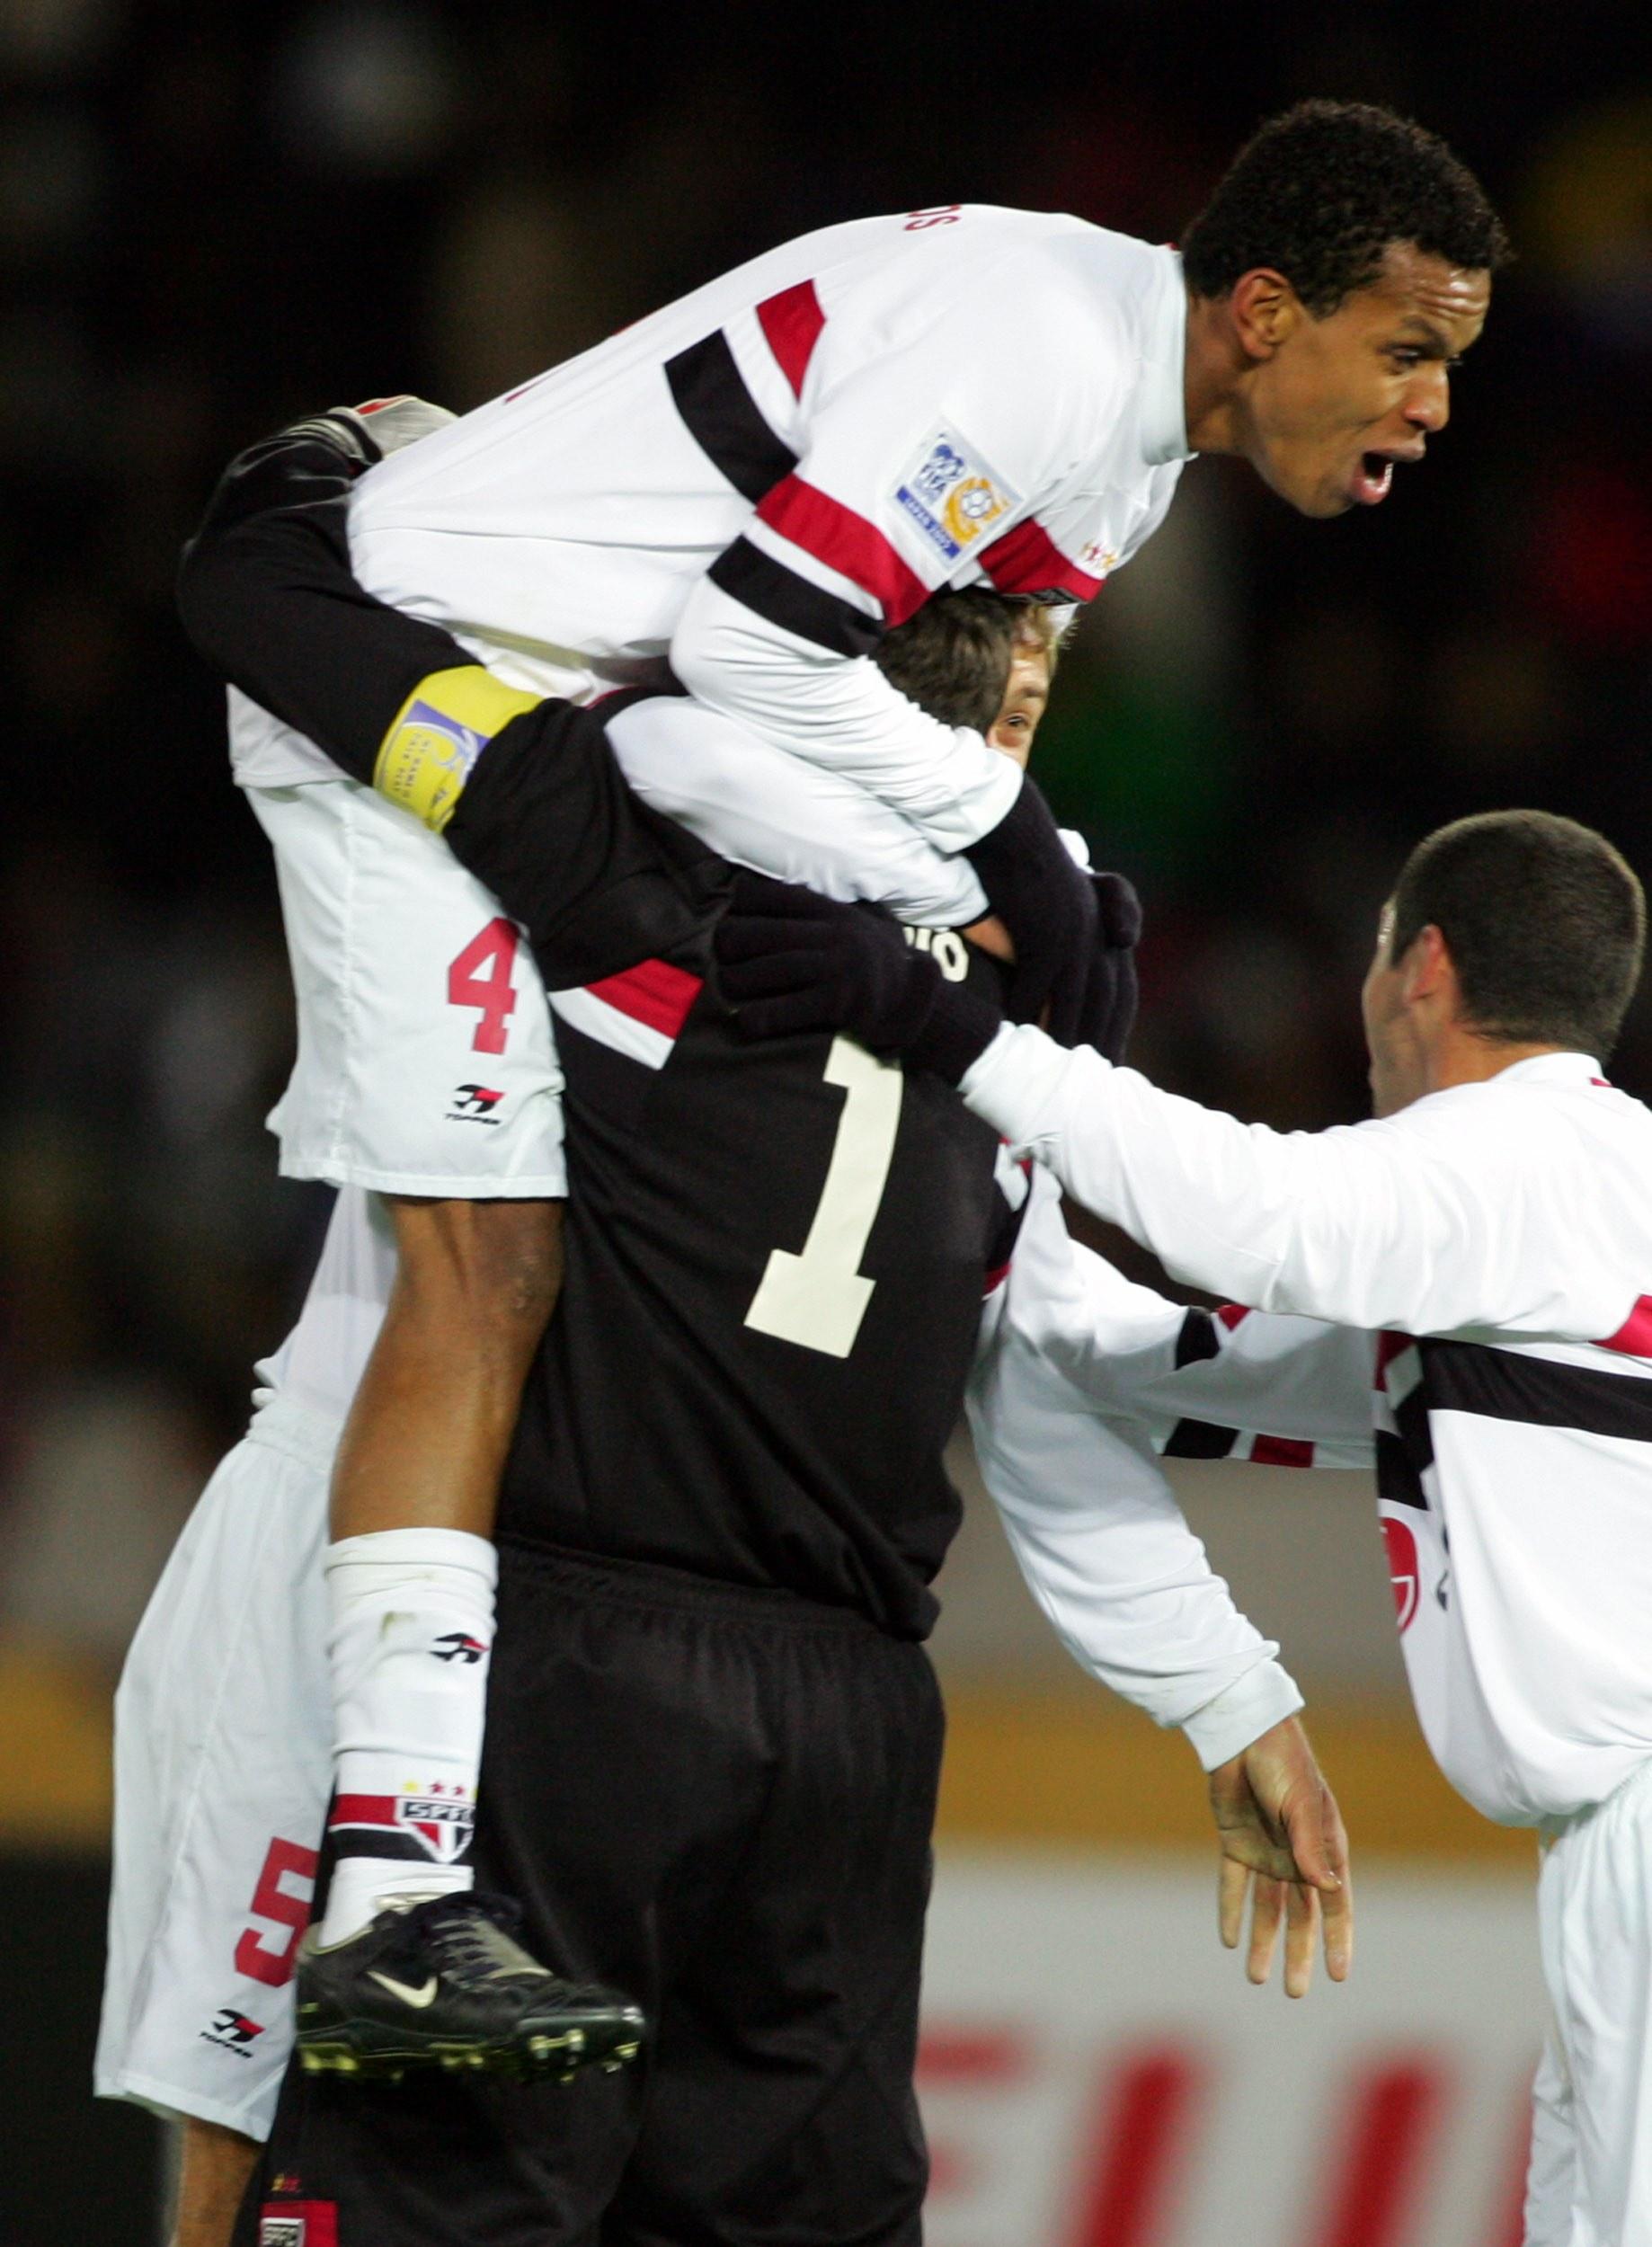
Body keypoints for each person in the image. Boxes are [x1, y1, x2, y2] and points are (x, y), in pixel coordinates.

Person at [212, 95, 1504, 2040]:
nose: (1428, 406)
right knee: (482, 1261)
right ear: (1260, 309)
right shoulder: (1046, 363)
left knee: (494, 1251)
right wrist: (1000, 851)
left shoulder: (1122, 439)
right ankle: (381, 1900)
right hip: (420, 660)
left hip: (576, 712)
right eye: (1406, 350)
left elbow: (863, 703)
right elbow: (757, 651)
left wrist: (1004, 863)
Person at [149, 417, 1350, 2247]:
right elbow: (1029, 1383)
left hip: (575, 1657)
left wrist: (364, 459)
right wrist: (1221, 1683)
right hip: (851, 1711)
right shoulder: (1049, 1002)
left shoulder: (626, 862)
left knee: (435, 2204)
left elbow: (285, 607)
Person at [716, 808, 1652, 2247]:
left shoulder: (1534, 1164)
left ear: (1420, 969)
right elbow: (1150, 1361)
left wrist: (957, 1032)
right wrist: (1006, 1185)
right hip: (1603, 1869)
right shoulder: (1532, 1241)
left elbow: (1248, 1213)